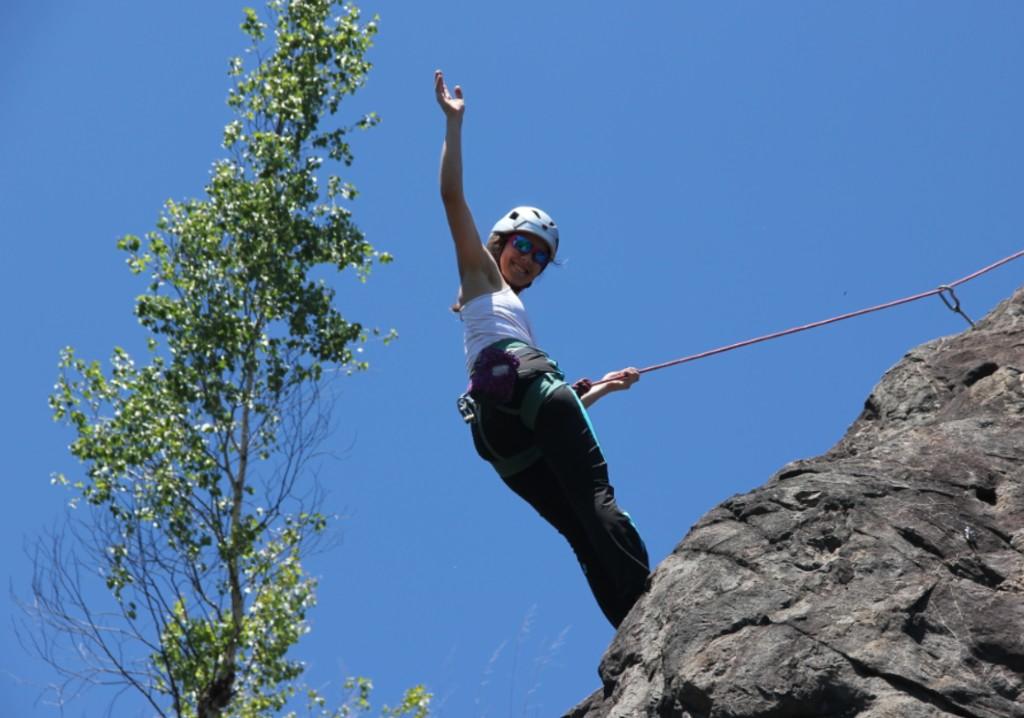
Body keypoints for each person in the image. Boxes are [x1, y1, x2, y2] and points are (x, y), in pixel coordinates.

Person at [435, 70, 650, 628]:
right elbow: (452, 198)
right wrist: (454, 125)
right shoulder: (481, 276)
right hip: (521, 389)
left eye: (540, 258)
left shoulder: (502, 311)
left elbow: (546, 409)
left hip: (499, 436)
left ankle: (630, 630)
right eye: (523, 246)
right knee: (597, 502)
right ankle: (654, 609)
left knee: (581, 532)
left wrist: (604, 388)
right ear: (500, 242)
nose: (529, 260)